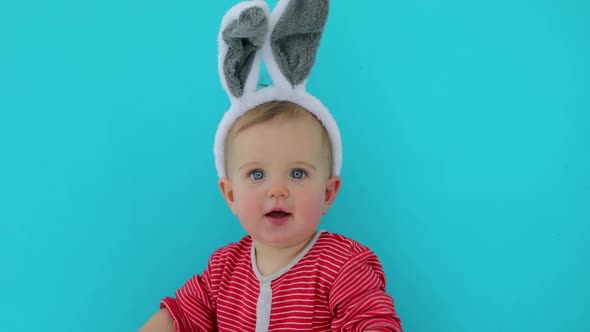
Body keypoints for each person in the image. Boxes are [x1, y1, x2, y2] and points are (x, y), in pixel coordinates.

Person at [140, 1, 402, 331]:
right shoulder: (223, 270)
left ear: (328, 191)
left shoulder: (343, 266)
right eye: (257, 174)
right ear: (230, 194)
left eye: (297, 173)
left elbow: (374, 321)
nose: (276, 190)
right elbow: (177, 317)